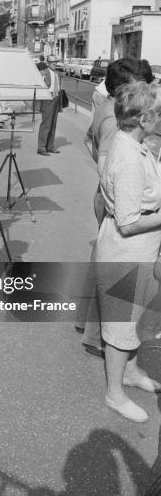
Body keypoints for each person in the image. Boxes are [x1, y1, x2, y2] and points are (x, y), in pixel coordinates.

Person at [96, 81, 161, 423]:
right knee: (121, 326)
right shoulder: (128, 157)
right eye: (157, 112)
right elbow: (128, 221)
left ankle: (132, 373)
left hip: (139, 251)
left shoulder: (133, 144)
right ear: (144, 118)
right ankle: (114, 393)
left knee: (134, 319)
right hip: (126, 251)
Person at [37, 55, 62, 156]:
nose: (55, 64)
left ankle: (50, 146)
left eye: (56, 62)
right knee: (46, 124)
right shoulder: (43, 73)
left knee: (53, 123)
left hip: (56, 98)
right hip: (48, 99)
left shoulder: (57, 74)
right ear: (48, 63)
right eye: (52, 62)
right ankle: (41, 148)